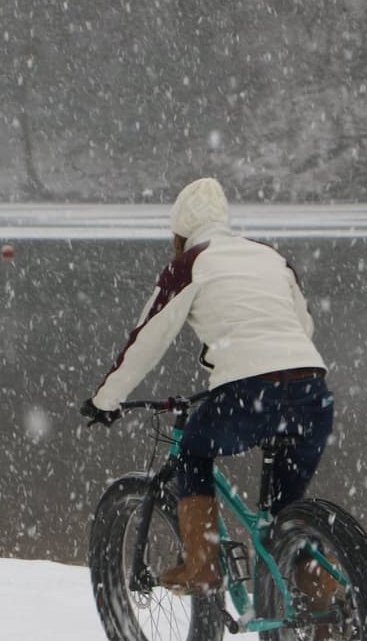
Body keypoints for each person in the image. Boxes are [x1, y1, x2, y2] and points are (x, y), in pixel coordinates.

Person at [81, 177, 336, 604]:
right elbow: (301, 327)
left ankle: (202, 566)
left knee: (192, 452)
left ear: (180, 234)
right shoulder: (270, 256)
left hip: (250, 393)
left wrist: (105, 400)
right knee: (284, 515)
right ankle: (327, 609)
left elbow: (148, 337)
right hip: (312, 390)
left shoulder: (190, 264)